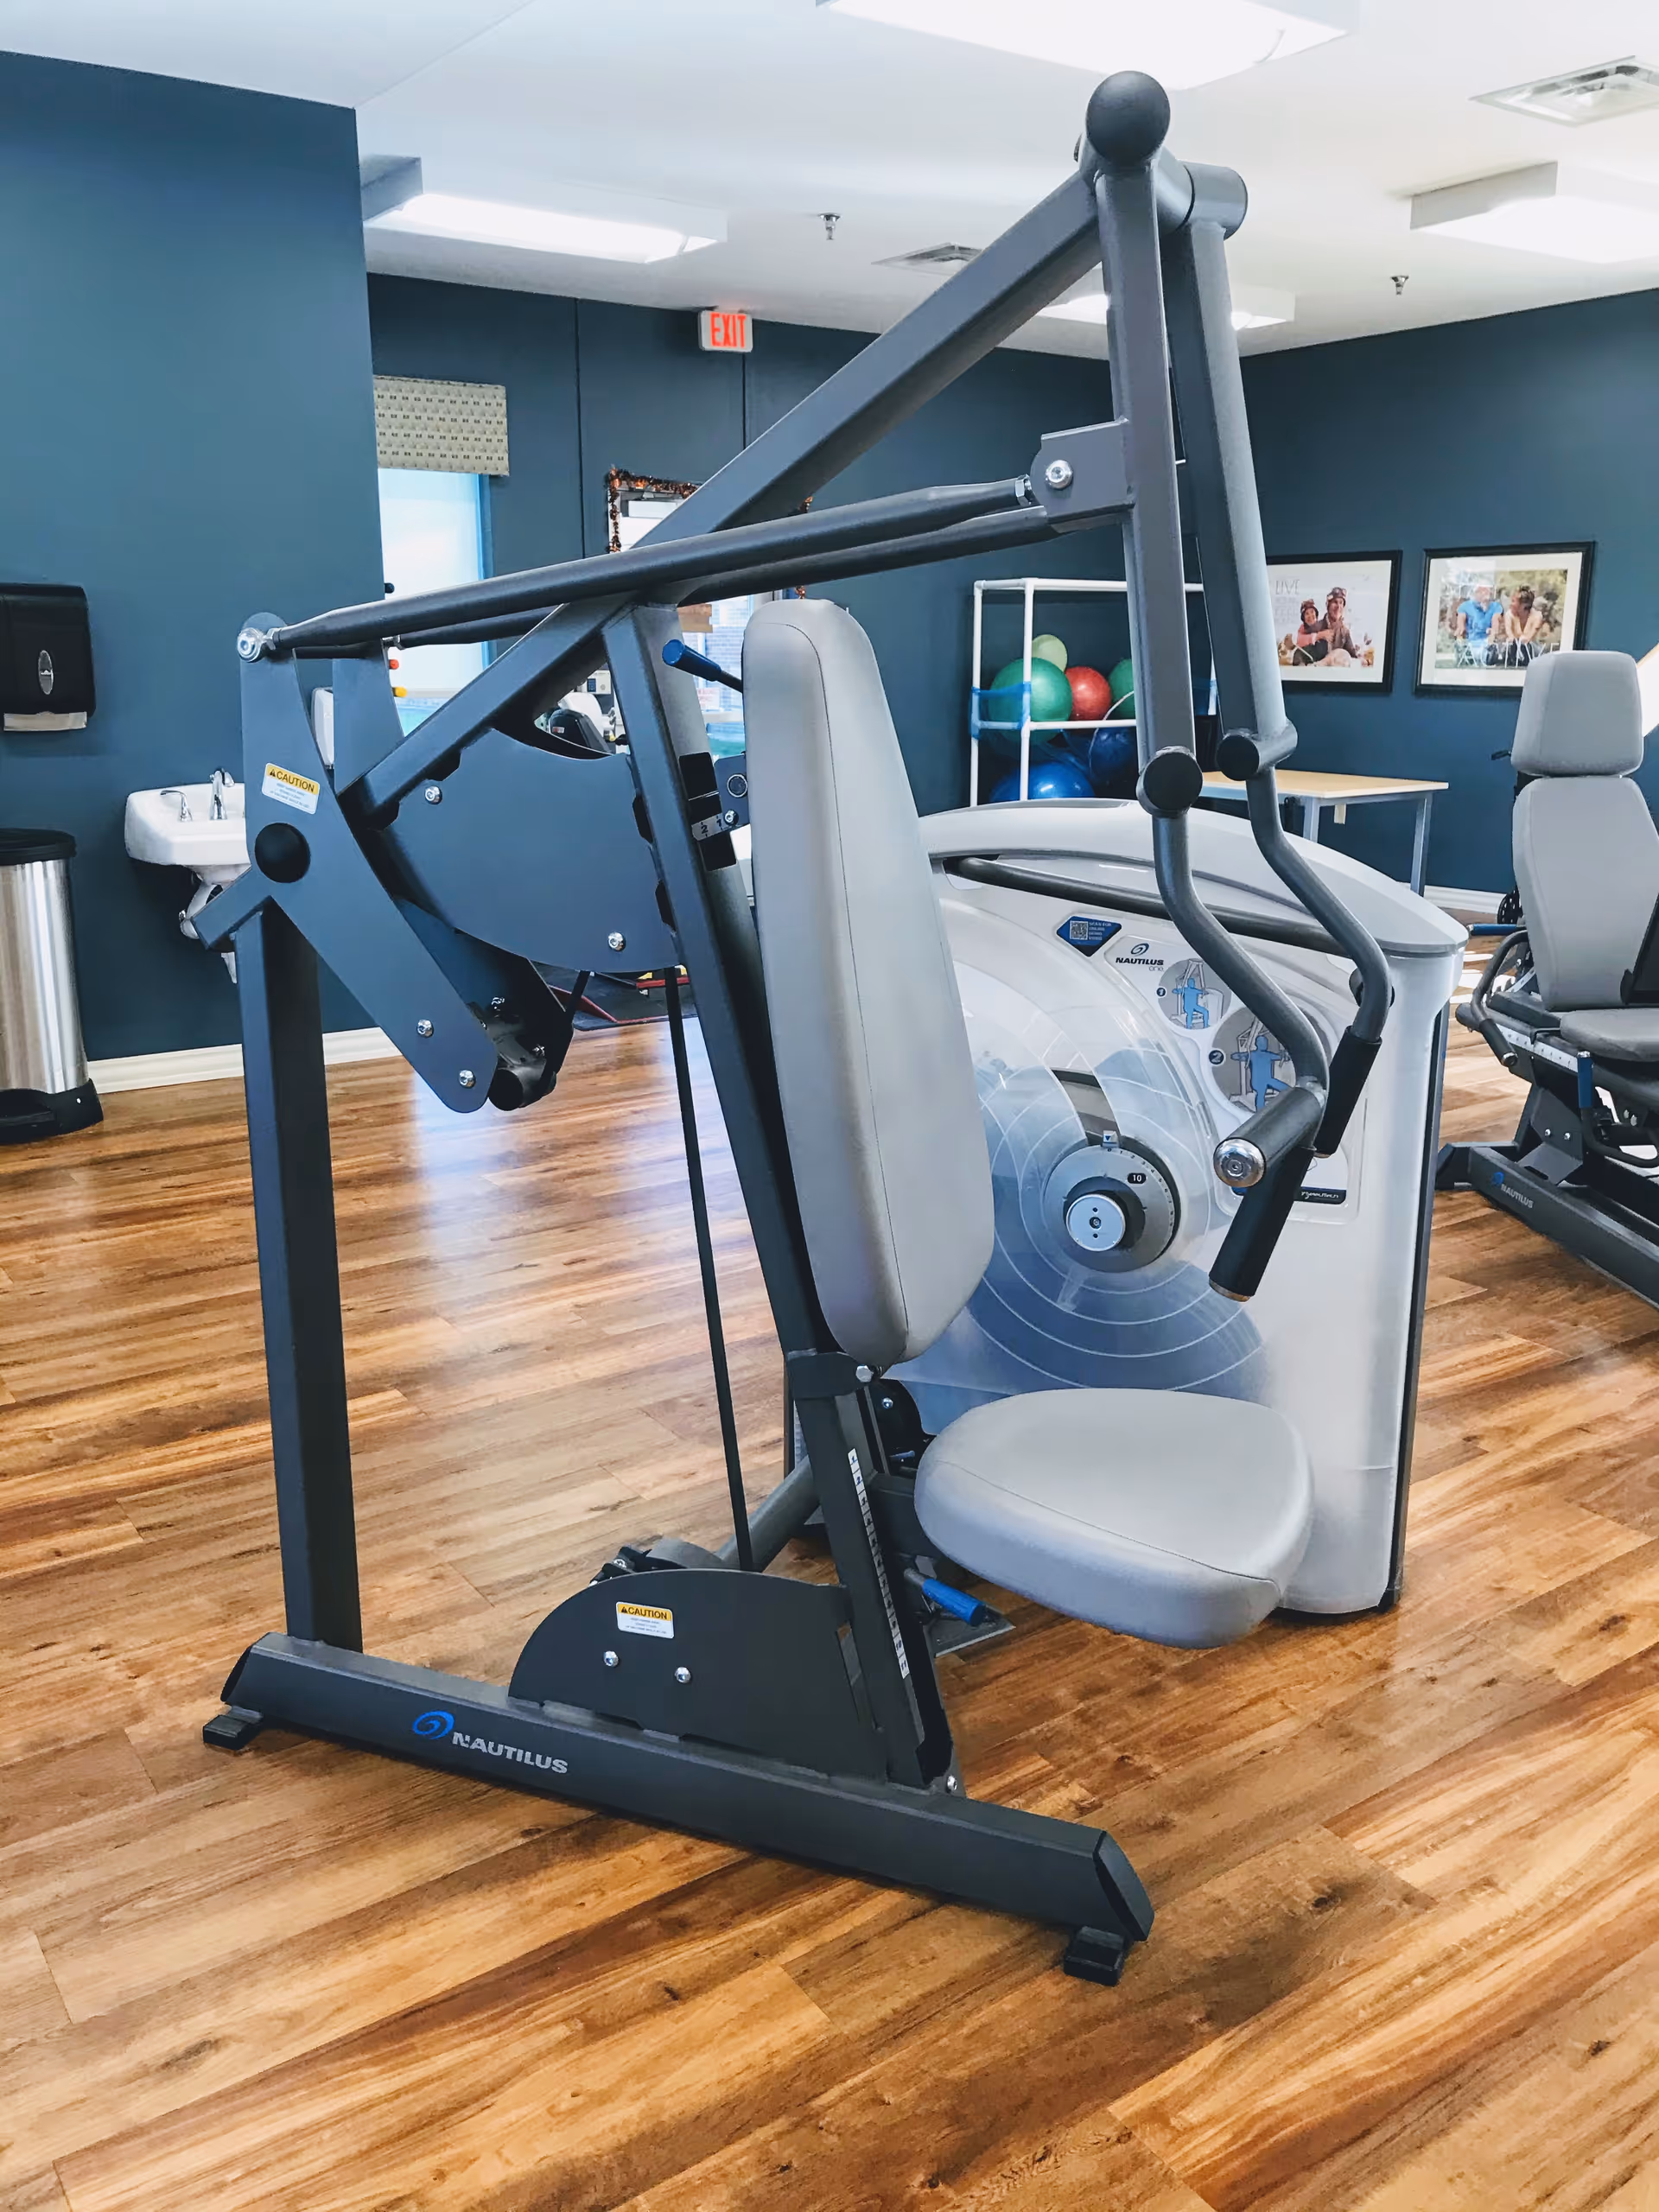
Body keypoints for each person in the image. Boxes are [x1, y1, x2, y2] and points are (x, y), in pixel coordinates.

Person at [1454, 581, 1503, 665]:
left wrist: (1493, 632)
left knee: (1491, 641)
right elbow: (1460, 624)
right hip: (1470, 643)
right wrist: (1460, 633)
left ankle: (1489, 656)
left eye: (1487, 590)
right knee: (1461, 642)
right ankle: (1465, 656)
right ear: (1475, 593)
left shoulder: (1496, 606)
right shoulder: (1465, 606)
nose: (1485, 593)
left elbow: (1496, 623)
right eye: (1481, 590)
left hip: (1487, 642)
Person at [1496, 585, 1545, 669]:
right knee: (1509, 646)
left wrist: (1523, 640)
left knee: (1527, 647)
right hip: (1514, 651)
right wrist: (1514, 640)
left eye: (1513, 601)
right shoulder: (1509, 615)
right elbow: (1510, 635)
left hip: (1532, 652)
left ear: (1523, 605)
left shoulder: (1537, 616)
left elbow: (1529, 637)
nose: (1510, 604)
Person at [1289, 598, 1329, 664]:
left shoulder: (1324, 625)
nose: (1310, 616)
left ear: (1316, 614)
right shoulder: (1302, 630)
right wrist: (1316, 637)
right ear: (1303, 618)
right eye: (1307, 614)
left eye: (1312, 612)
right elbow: (1298, 640)